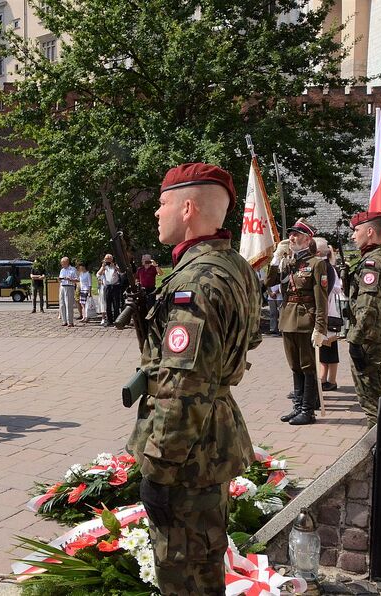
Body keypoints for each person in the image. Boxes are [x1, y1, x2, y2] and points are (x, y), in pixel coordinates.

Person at [129, 162, 261, 595]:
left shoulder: (195, 283)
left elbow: (182, 389)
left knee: (182, 572)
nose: (156, 212)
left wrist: (159, 471)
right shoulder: (234, 265)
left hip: (189, 452)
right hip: (213, 437)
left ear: (187, 208)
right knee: (206, 562)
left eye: (162, 203)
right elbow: (249, 340)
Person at [267, 219, 328, 426]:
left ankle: (308, 410)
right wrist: (275, 260)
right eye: (291, 235)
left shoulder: (316, 264)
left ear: (307, 239)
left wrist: (320, 327)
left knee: (307, 366)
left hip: (305, 320)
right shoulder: (288, 263)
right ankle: (298, 406)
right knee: (294, 365)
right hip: (288, 319)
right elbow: (269, 283)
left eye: (296, 235)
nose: (291, 238)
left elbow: (322, 299)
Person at [347, 211, 381, 427]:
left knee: (372, 403)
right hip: (378, 336)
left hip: (369, 341)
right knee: (379, 395)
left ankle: (377, 451)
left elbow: (367, 308)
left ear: (370, 231)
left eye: (356, 230)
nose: (353, 236)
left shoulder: (372, 264)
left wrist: (355, 341)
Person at [315, 238, 343, 392]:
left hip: (326, 314)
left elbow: (331, 290)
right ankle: (325, 378)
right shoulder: (326, 266)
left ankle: (329, 380)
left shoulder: (326, 267)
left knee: (328, 349)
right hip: (324, 313)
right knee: (324, 349)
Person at [97, 255, 121, 326]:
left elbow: (121, 273)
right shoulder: (104, 267)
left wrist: (114, 266)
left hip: (115, 286)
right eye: (106, 259)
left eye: (109, 259)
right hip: (108, 286)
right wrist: (103, 267)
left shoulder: (115, 266)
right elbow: (98, 275)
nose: (107, 261)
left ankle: (116, 320)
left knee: (116, 304)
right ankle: (109, 321)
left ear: (112, 259)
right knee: (108, 304)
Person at [57, 257, 79, 327]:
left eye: (62, 263)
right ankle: (64, 321)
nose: (61, 264)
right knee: (62, 304)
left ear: (67, 262)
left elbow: (77, 280)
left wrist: (70, 279)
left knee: (69, 305)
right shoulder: (62, 270)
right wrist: (59, 279)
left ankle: (70, 322)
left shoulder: (73, 269)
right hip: (62, 286)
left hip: (69, 286)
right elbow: (60, 279)